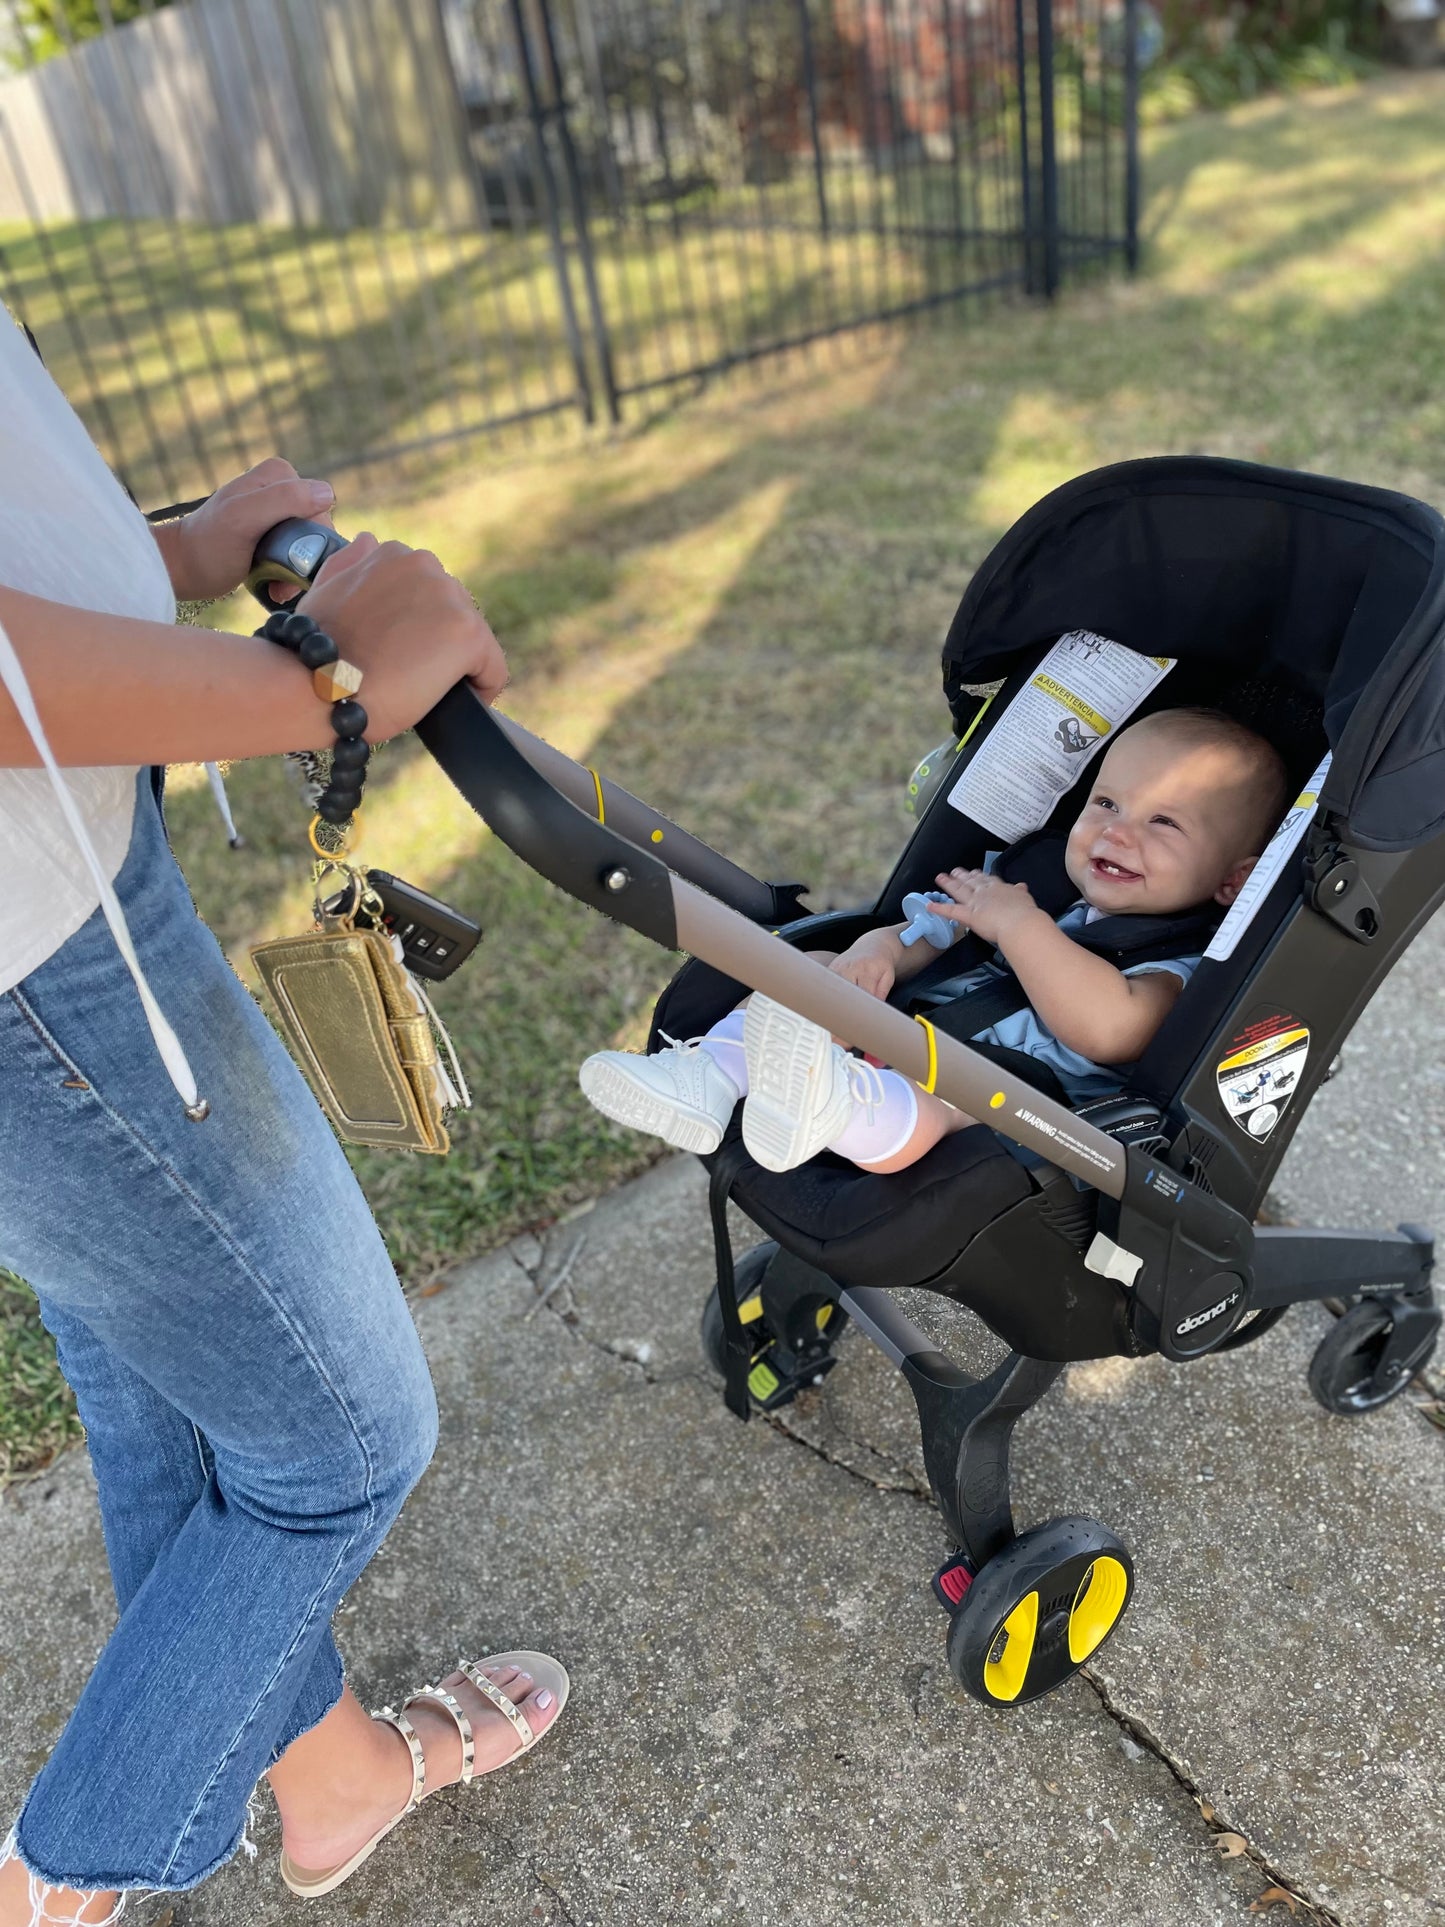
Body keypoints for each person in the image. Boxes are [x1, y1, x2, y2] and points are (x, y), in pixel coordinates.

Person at [0, 307, 568, 1922]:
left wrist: (165, 550)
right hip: (30, 959)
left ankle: (327, 1773)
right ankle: (73, 1870)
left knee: (166, 1385)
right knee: (337, 1437)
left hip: (56, 897)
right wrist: (321, 679)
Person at [579, 707, 1290, 1174]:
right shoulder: (1035, 881)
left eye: (1163, 824)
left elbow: (1109, 1028)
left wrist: (1018, 926)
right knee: (822, 963)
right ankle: (705, 1082)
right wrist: (882, 954)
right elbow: (931, 927)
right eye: (1105, 802)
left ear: (1232, 882)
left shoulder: (1184, 960)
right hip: (906, 1023)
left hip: (1011, 1101)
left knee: (947, 1102)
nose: (1115, 831)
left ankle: (836, 1107)